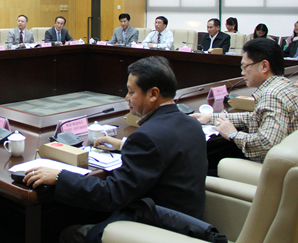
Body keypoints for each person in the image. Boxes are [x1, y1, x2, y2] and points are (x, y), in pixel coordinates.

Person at [24, 56, 207, 243]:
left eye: (131, 92)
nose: (126, 98)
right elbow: (164, 151)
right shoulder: (192, 125)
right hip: (190, 222)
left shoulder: (147, 137)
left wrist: (59, 177)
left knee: (68, 233)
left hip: (159, 228)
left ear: (153, 94)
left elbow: (112, 195)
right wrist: (123, 145)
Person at [192, 38, 298, 165]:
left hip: (272, 171)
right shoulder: (284, 85)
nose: (242, 73)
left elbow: (267, 143)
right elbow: (253, 118)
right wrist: (211, 118)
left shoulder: (271, 95)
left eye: (245, 66)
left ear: (264, 66)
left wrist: (233, 135)